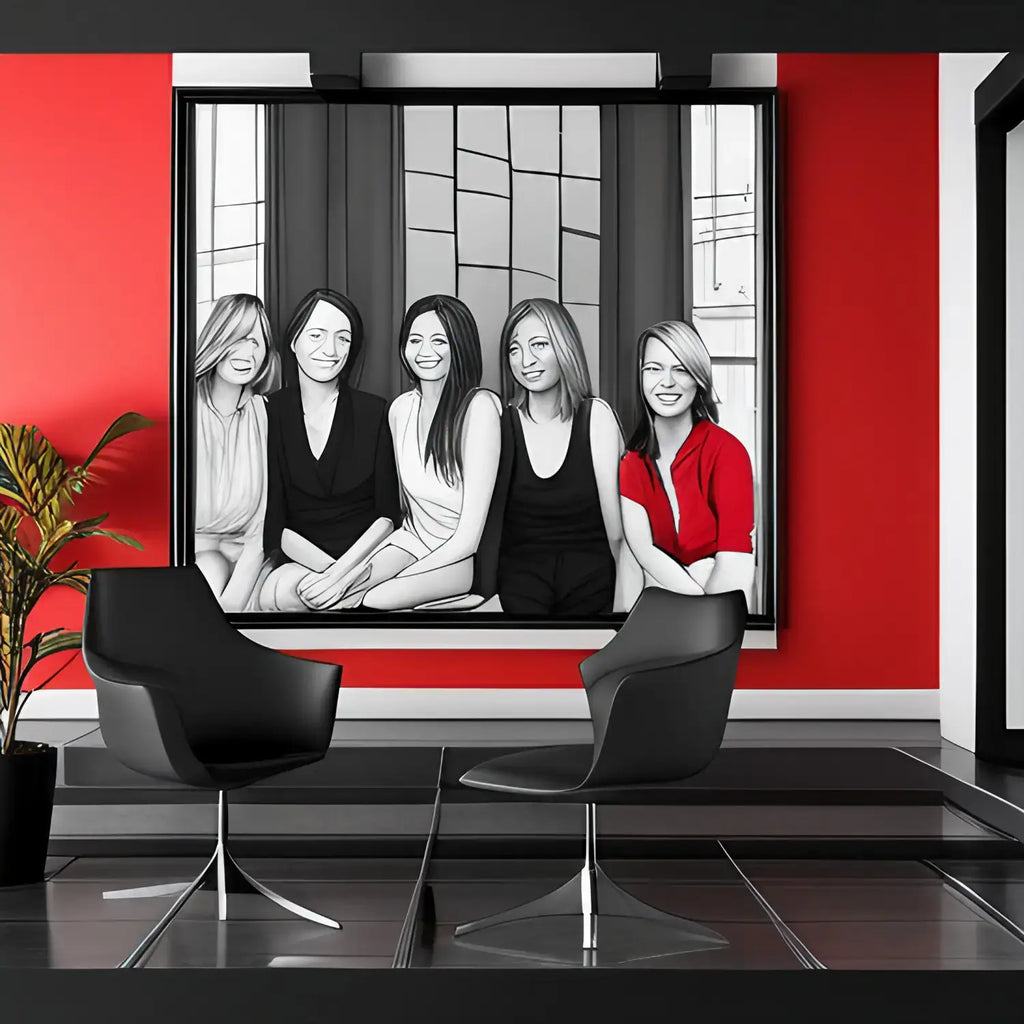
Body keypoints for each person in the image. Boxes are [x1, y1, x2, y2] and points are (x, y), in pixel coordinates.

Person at [318, 294, 502, 612]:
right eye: (415, 340)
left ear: (460, 346)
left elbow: (468, 538)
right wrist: (354, 572)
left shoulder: (480, 407)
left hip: (457, 555)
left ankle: (464, 603)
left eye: (439, 341)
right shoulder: (401, 409)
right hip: (411, 541)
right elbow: (405, 515)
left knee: (375, 599)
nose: (425, 352)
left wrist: (399, 578)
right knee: (343, 595)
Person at [257, 288, 402, 612]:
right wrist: (329, 575)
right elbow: (273, 523)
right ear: (294, 342)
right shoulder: (269, 412)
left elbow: (388, 515)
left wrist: (344, 575)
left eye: (343, 338)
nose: (331, 350)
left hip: (367, 563)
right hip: (304, 564)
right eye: (317, 335)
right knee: (274, 596)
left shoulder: (374, 411)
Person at [494, 297, 641, 615]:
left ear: (564, 346)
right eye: (514, 349)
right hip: (520, 589)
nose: (525, 360)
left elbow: (618, 535)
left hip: (592, 586)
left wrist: (622, 614)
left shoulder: (596, 416)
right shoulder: (501, 422)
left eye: (539, 345)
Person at [618, 320, 754, 603]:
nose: (667, 382)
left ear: (699, 377)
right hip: (663, 606)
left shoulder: (727, 452)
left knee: (704, 570)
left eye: (680, 369)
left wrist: (701, 607)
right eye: (653, 369)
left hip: (719, 604)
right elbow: (643, 552)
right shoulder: (632, 464)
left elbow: (735, 566)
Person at [193, 293, 279, 611]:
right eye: (239, 338)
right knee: (208, 576)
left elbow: (260, 529)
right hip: (196, 557)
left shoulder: (265, 414)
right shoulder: (185, 409)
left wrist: (228, 610)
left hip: (250, 558)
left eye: (257, 342)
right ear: (218, 338)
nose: (248, 353)